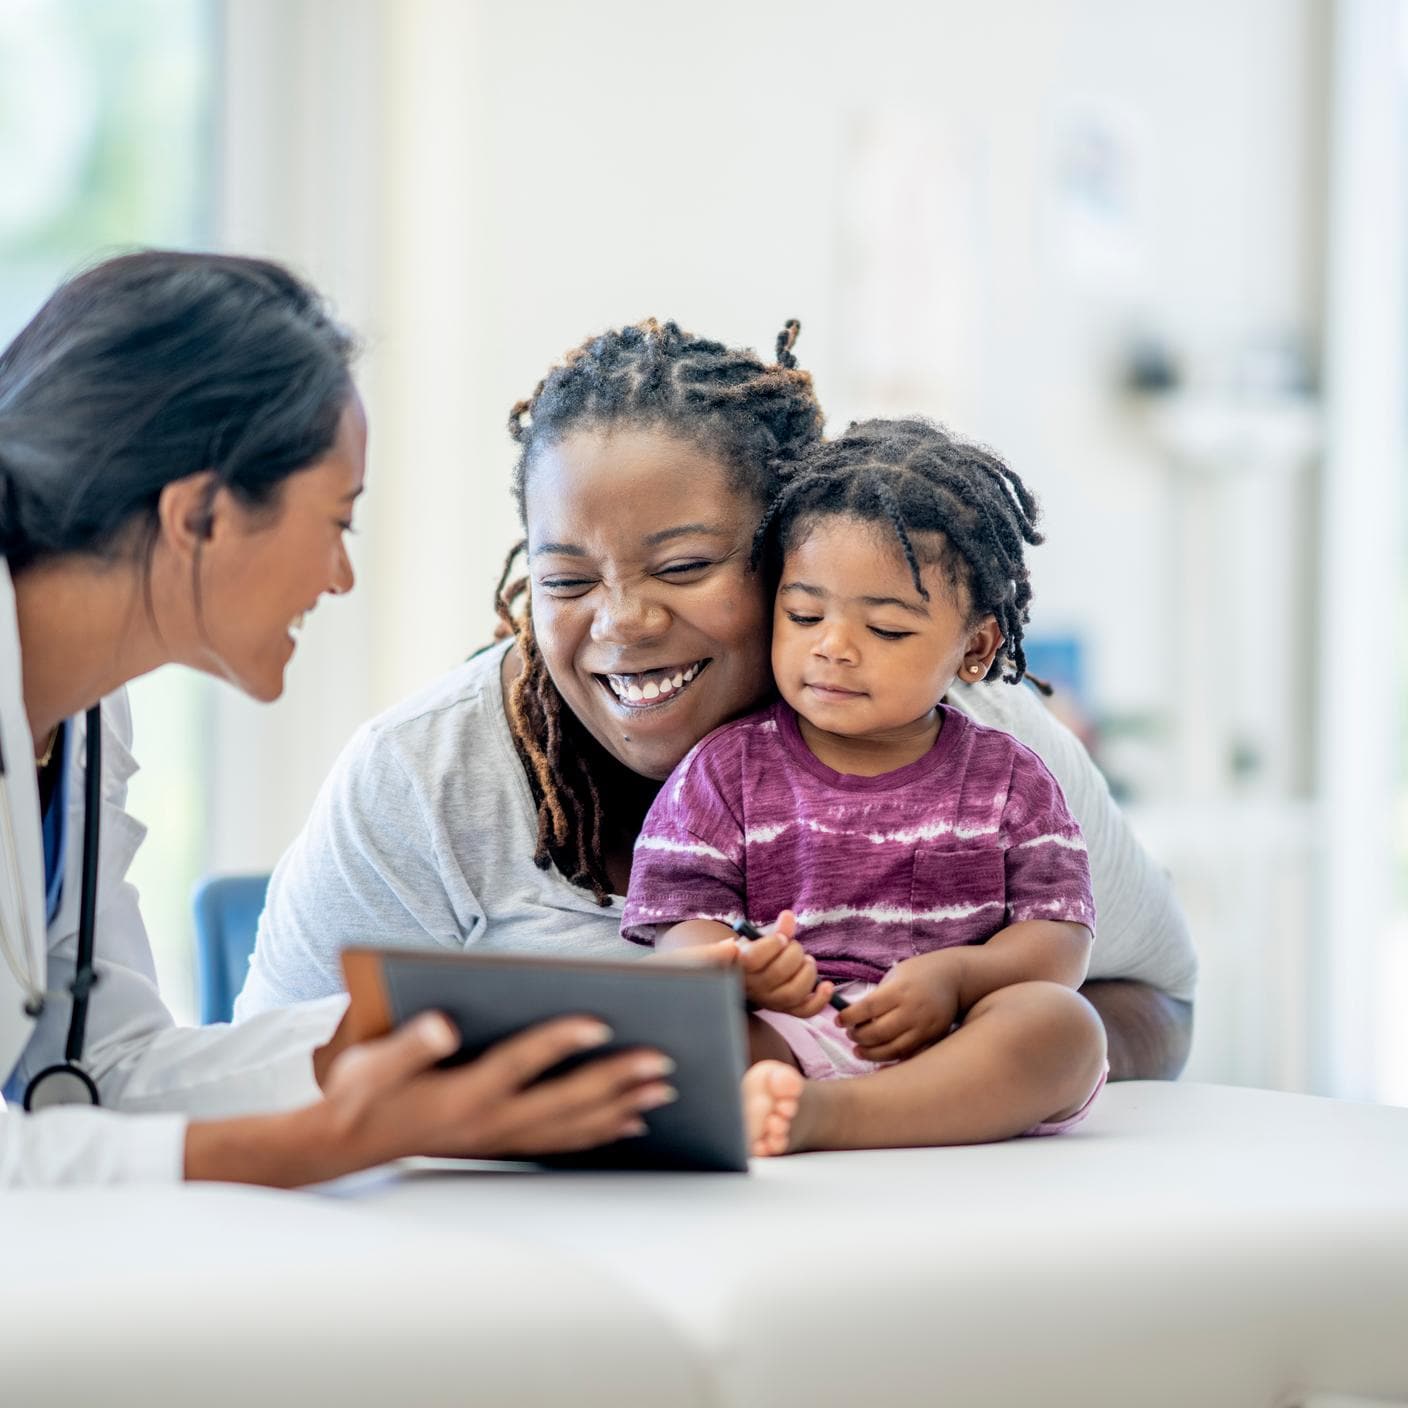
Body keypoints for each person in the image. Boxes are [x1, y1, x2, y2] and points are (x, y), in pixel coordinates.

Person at [238, 319, 1197, 1081]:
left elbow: (1157, 1004)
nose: (620, 623)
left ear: (795, 550)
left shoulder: (972, 737)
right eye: (566, 581)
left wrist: (919, 1067)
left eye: (687, 566)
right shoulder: (421, 776)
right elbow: (276, 1071)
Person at [0, 252, 676, 1187]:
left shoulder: (79, 717)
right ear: (200, 516)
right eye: (339, 521)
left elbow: (94, 1073)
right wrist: (319, 1145)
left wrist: (414, 1032)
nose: (338, 576)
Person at [622, 417, 1108, 1155]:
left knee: (1064, 1027)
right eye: (804, 614)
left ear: (974, 648)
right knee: (677, 1032)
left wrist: (958, 976)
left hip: (958, 1042)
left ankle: (835, 1119)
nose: (833, 647)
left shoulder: (1009, 780)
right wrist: (741, 970)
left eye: (885, 629)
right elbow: (680, 930)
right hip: (788, 1035)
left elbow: (1059, 940)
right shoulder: (724, 773)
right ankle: (791, 1102)